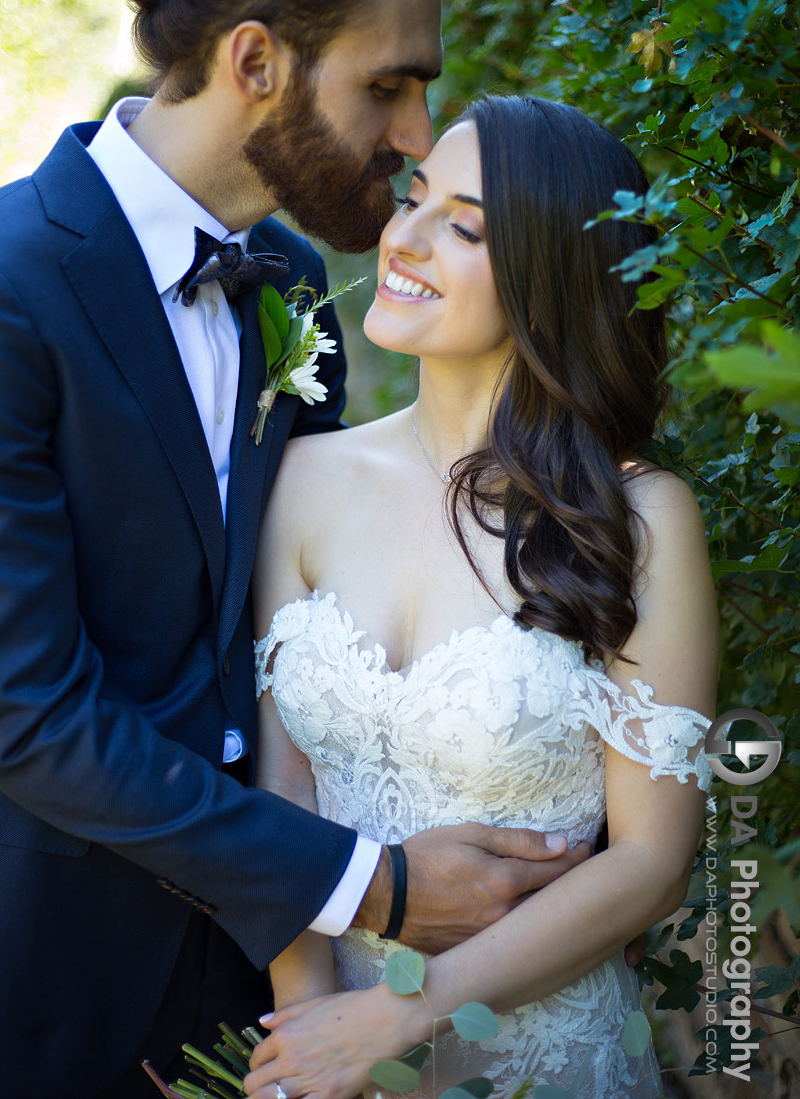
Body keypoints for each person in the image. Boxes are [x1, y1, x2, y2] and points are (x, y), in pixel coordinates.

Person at [0, 0, 591, 1098]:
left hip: (287, 989)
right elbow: (24, 708)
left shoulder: (292, 281)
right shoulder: (7, 288)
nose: (420, 132)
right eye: (390, 85)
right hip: (57, 983)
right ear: (255, 59)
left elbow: (293, 626)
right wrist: (380, 884)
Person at [244, 95, 718, 1099]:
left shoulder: (638, 518)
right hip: (328, 1054)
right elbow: (281, 802)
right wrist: (311, 1039)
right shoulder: (298, 480)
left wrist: (399, 1014)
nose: (401, 237)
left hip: (551, 1058)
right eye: (412, 199)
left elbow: (651, 860)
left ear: (549, 282)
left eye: (460, 227)